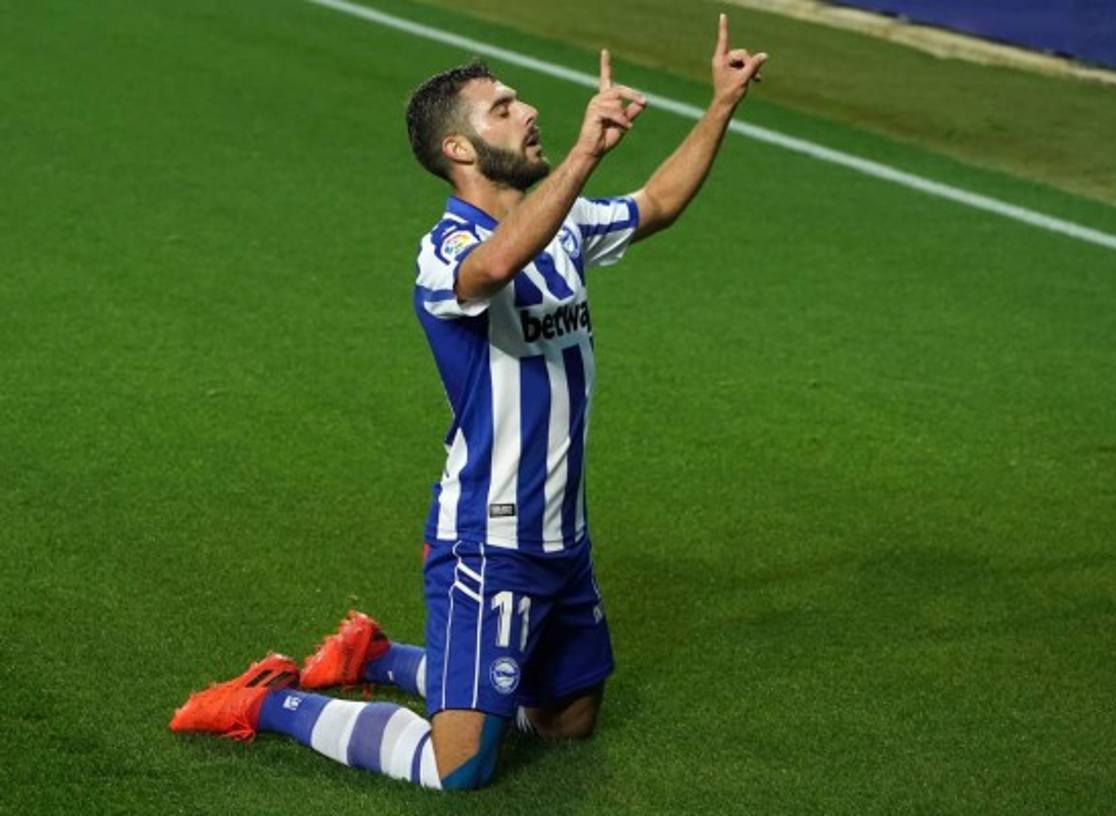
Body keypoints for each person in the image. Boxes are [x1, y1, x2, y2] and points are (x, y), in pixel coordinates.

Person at [169, 14, 767, 791]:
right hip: (489, 538)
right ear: (459, 149)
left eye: (519, 100)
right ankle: (268, 700)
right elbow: (492, 268)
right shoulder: (445, 250)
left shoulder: (562, 224)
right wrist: (585, 154)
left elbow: (656, 202)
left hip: (563, 534)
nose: (529, 111)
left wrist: (721, 104)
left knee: (566, 723)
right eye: (504, 108)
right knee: (458, 769)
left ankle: (377, 657)